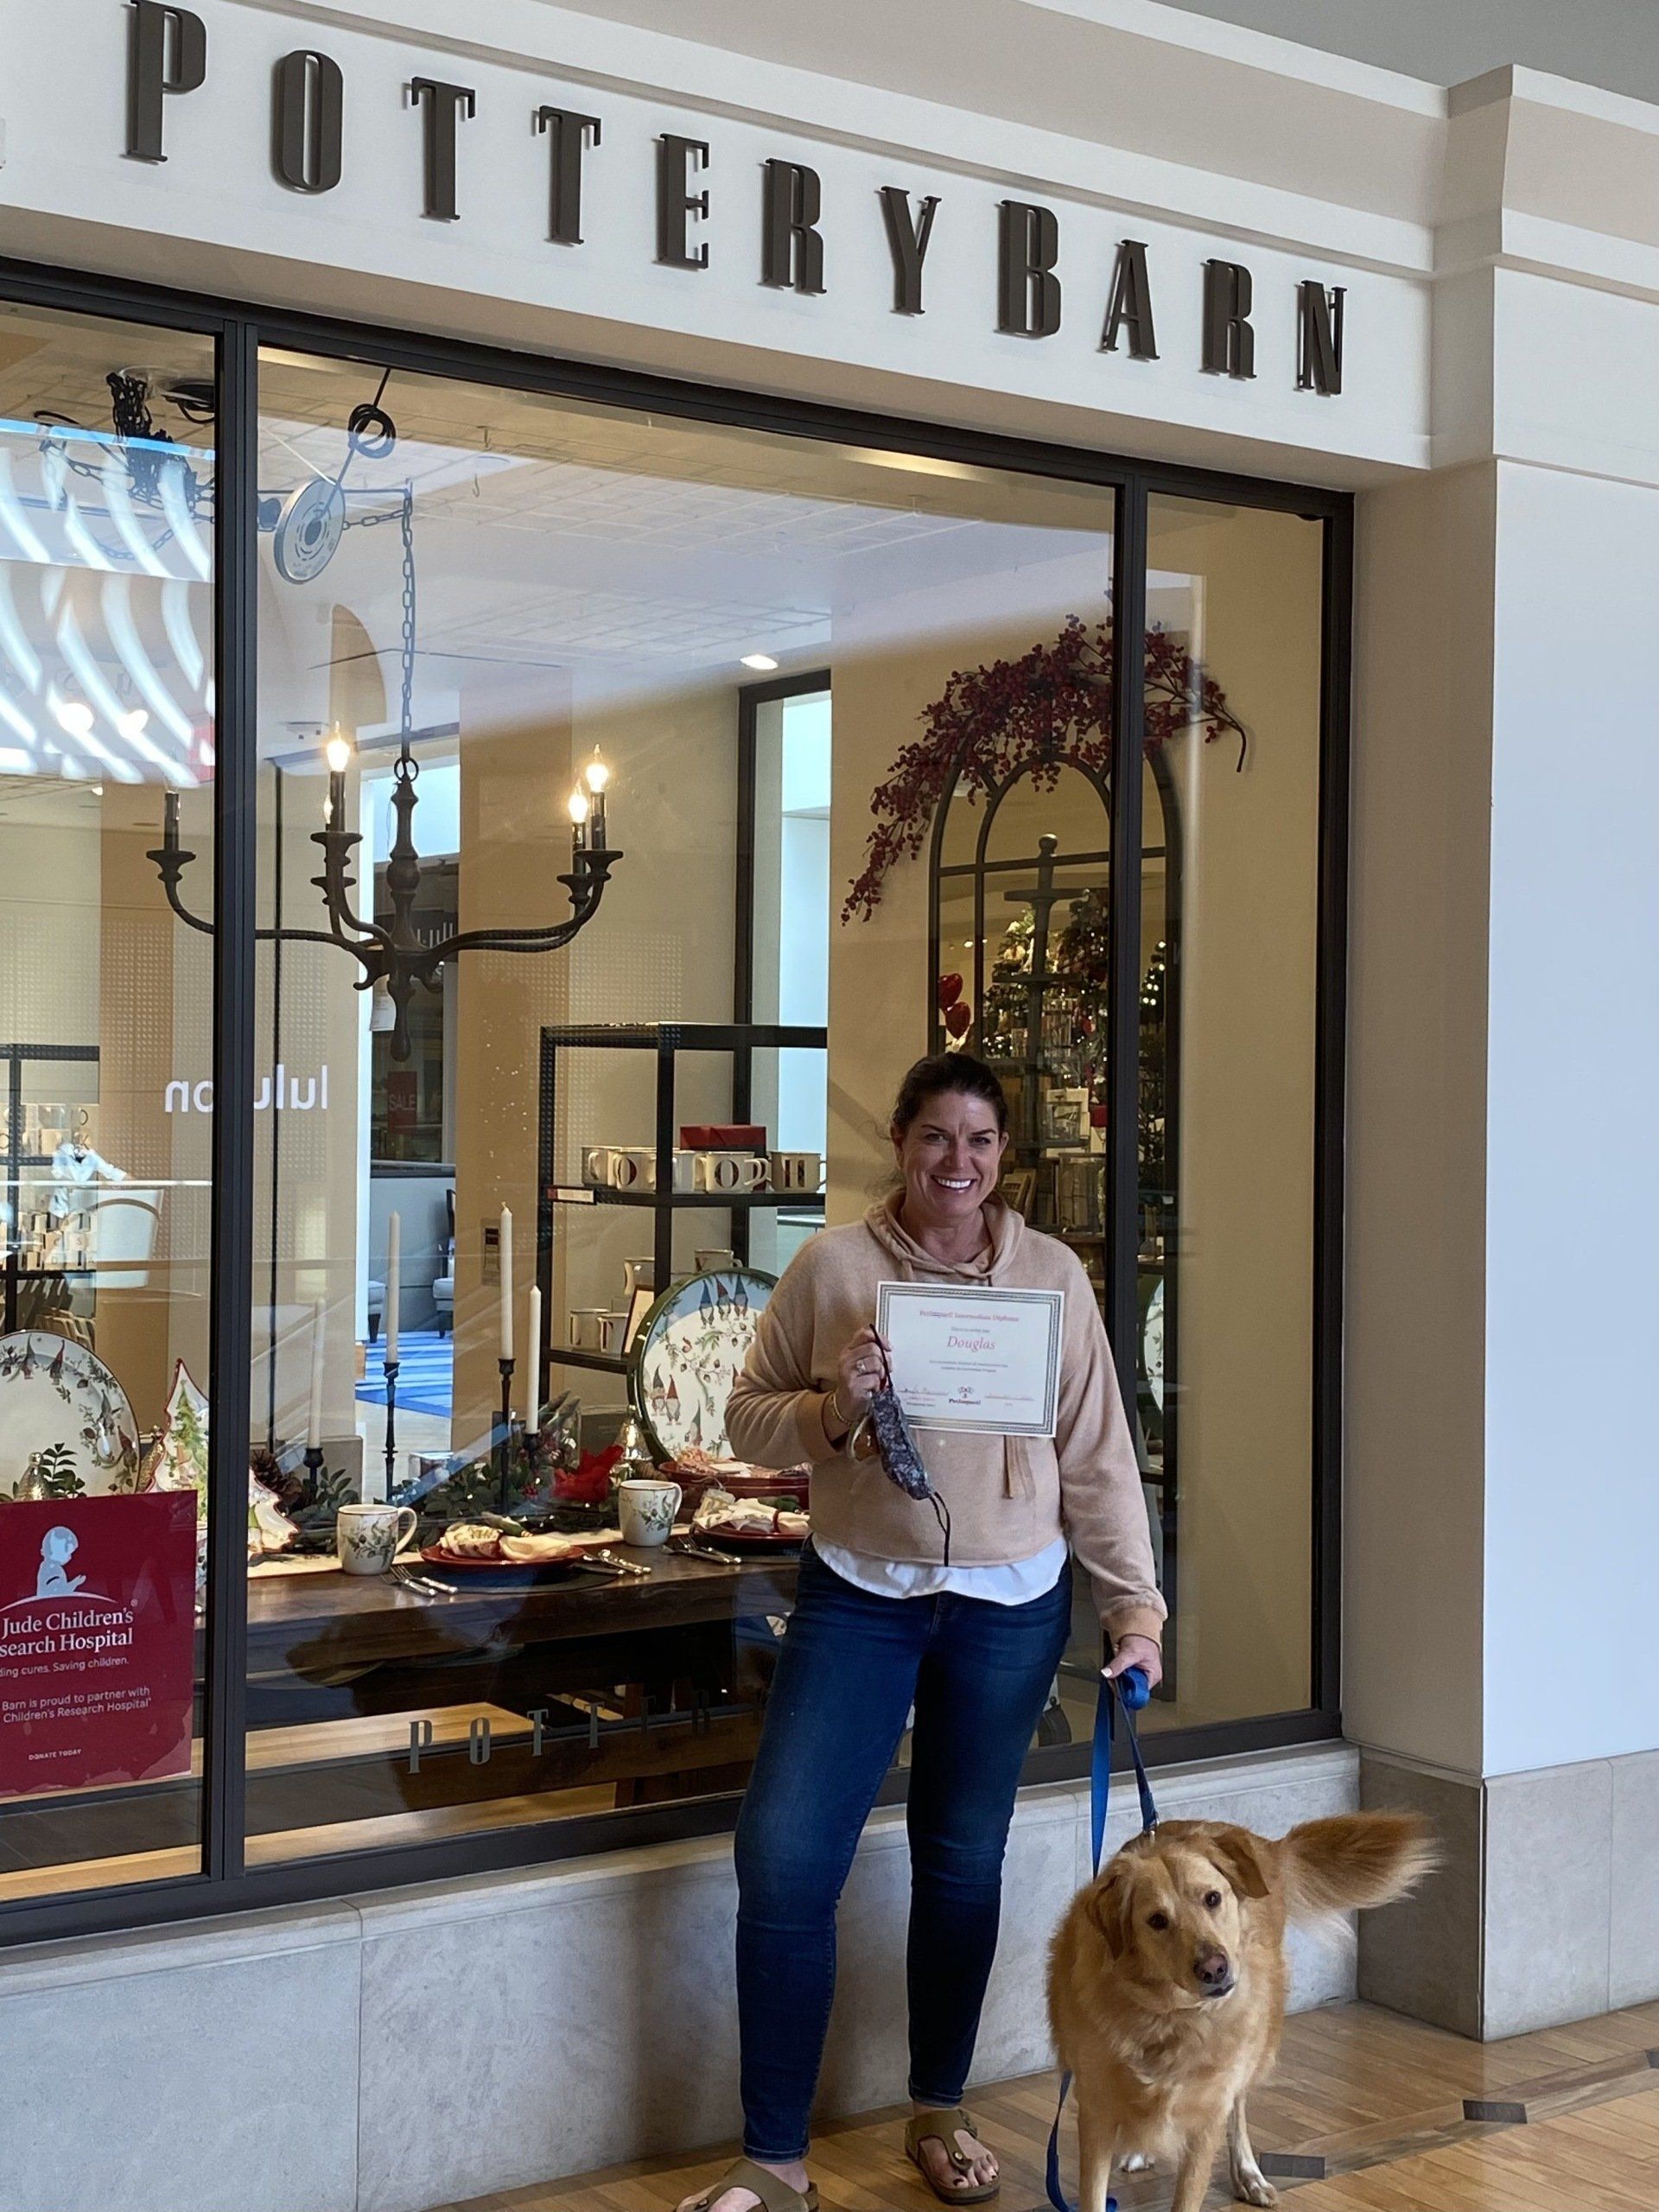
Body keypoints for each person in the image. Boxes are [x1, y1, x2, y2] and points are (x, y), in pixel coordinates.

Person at [679, 1054, 1163, 2212]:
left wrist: (1134, 1603)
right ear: (901, 1143)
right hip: (860, 1593)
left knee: (960, 1862)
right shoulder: (832, 1266)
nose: (959, 1163)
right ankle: (774, 2157)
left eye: (982, 1143)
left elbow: (1094, 1457)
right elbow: (743, 1418)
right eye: (937, 1137)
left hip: (1012, 1608)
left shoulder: (1052, 1276)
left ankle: (939, 2110)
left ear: (1005, 1158)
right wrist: (834, 1406)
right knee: (787, 1858)